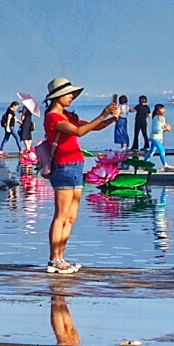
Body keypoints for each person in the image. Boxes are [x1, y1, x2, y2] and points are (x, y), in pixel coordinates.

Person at [42, 77, 119, 275]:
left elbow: (94, 127)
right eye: (68, 94)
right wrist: (102, 114)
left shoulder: (67, 115)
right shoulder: (53, 117)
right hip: (64, 167)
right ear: (57, 97)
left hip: (76, 166)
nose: (71, 97)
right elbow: (78, 131)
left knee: (71, 217)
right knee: (61, 215)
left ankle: (62, 258)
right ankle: (54, 259)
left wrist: (111, 118)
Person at [145, 104, 174, 171]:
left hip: (159, 138)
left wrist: (167, 129)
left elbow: (163, 128)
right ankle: (165, 165)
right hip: (155, 138)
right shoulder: (156, 118)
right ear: (157, 111)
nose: (164, 110)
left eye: (164, 109)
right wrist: (165, 129)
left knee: (151, 152)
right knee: (162, 150)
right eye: (162, 109)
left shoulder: (163, 119)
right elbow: (155, 130)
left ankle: (145, 163)